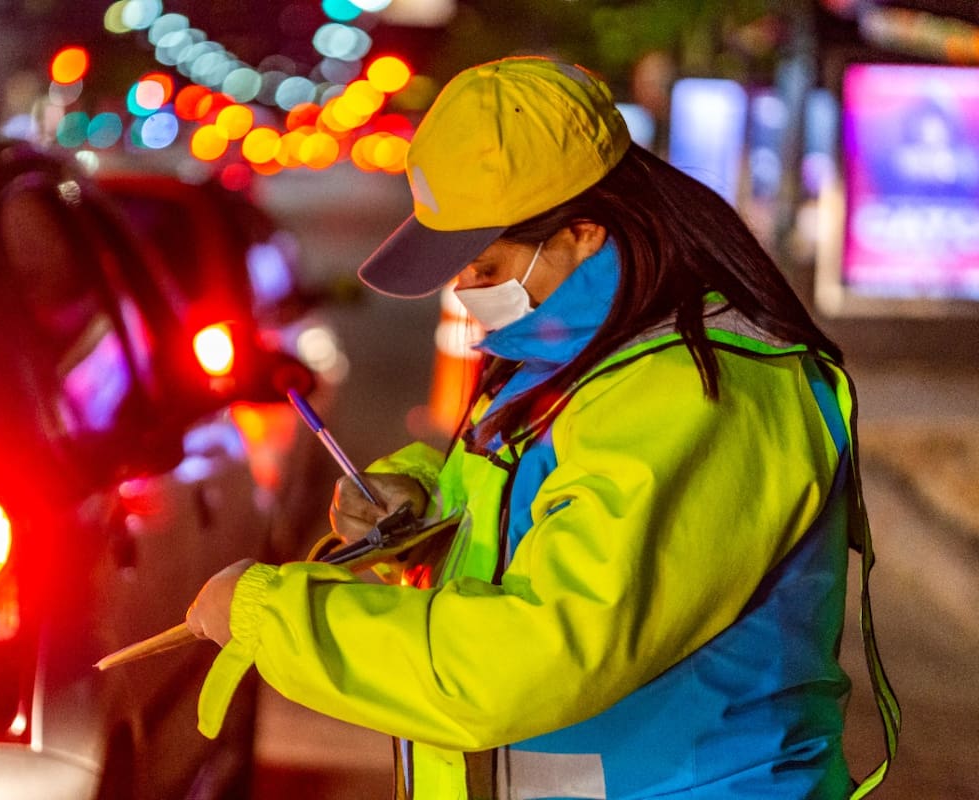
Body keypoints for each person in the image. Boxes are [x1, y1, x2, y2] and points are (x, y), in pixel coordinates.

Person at [185, 56, 899, 799]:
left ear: (583, 234)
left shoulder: (698, 393)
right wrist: (424, 508)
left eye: (484, 266)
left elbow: (534, 655)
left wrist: (275, 616)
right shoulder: (582, 358)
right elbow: (545, 512)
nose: (464, 290)